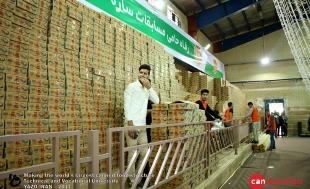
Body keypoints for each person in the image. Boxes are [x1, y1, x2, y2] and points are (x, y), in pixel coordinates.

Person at [124, 64, 159, 188]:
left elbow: (157, 101)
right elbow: (127, 106)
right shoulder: (131, 87)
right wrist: (130, 125)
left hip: (143, 127)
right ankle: (132, 182)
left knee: (144, 153)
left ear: (148, 76)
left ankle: (138, 180)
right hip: (131, 124)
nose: (142, 75)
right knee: (133, 154)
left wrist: (149, 88)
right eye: (141, 72)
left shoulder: (146, 89)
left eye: (145, 73)